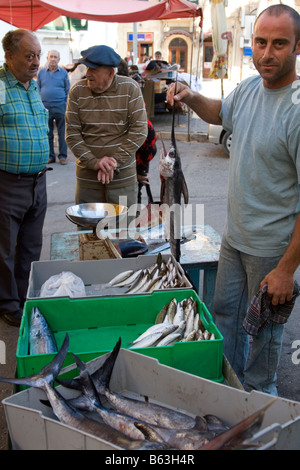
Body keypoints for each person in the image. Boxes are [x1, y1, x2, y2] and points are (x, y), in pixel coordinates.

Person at [167, 4, 300, 395]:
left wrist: (286, 270)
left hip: (271, 251)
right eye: (260, 42)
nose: (266, 53)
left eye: (279, 44)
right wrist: (191, 96)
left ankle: (261, 402)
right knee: (223, 315)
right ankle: (226, 389)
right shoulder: (248, 87)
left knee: (264, 334)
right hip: (235, 238)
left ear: (297, 46)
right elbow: (220, 112)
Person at [0, 29, 50, 326]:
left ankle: (23, 295)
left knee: (30, 247)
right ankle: (7, 304)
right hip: (8, 183)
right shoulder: (0, 85)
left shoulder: (32, 85)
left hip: (38, 182)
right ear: (9, 56)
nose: (36, 62)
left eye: (38, 55)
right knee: (4, 249)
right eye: (29, 56)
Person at [65, 45, 148, 216]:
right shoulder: (77, 91)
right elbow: (72, 134)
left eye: (93, 69)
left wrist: (114, 161)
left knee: (123, 236)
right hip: (88, 182)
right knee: (89, 237)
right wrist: (94, 162)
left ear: (111, 73)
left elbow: (139, 131)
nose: (88, 73)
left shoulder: (130, 88)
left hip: (122, 181)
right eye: (87, 67)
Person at [37, 50, 70, 165]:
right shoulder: (41, 73)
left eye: (55, 57)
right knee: (48, 133)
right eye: (51, 56)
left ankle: (62, 156)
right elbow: (38, 89)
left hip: (60, 106)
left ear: (59, 59)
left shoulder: (64, 73)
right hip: (45, 107)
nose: (53, 59)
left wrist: (66, 105)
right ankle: (50, 156)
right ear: (47, 58)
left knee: (62, 132)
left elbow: (68, 90)